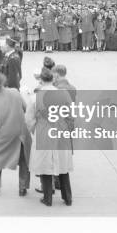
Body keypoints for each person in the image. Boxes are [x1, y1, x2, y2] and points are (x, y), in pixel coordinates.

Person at [25, 68, 74, 207]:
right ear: (53, 79)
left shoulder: (35, 98)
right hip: (60, 131)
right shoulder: (64, 94)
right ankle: (67, 197)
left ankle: (48, 198)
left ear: (41, 80)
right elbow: (70, 114)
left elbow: (29, 119)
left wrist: (36, 129)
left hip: (44, 131)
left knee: (46, 166)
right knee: (63, 167)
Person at [0, 72, 32, 196]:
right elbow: (26, 107)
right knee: (24, 160)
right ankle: (23, 187)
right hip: (20, 132)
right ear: (3, 82)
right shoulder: (15, 92)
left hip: (4, 136)